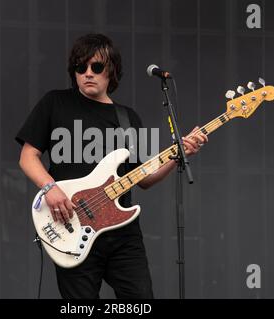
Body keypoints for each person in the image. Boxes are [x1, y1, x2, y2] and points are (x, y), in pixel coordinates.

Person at [16, 33, 208, 299]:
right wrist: (50, 187)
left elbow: (145, 178)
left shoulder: (128, 118)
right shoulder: (55, 102)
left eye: (96, 67)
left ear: (112, 71)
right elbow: (27, 156)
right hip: (71, 226)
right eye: (80, 67)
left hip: (122, 235)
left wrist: (179, 153)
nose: (87, 73)